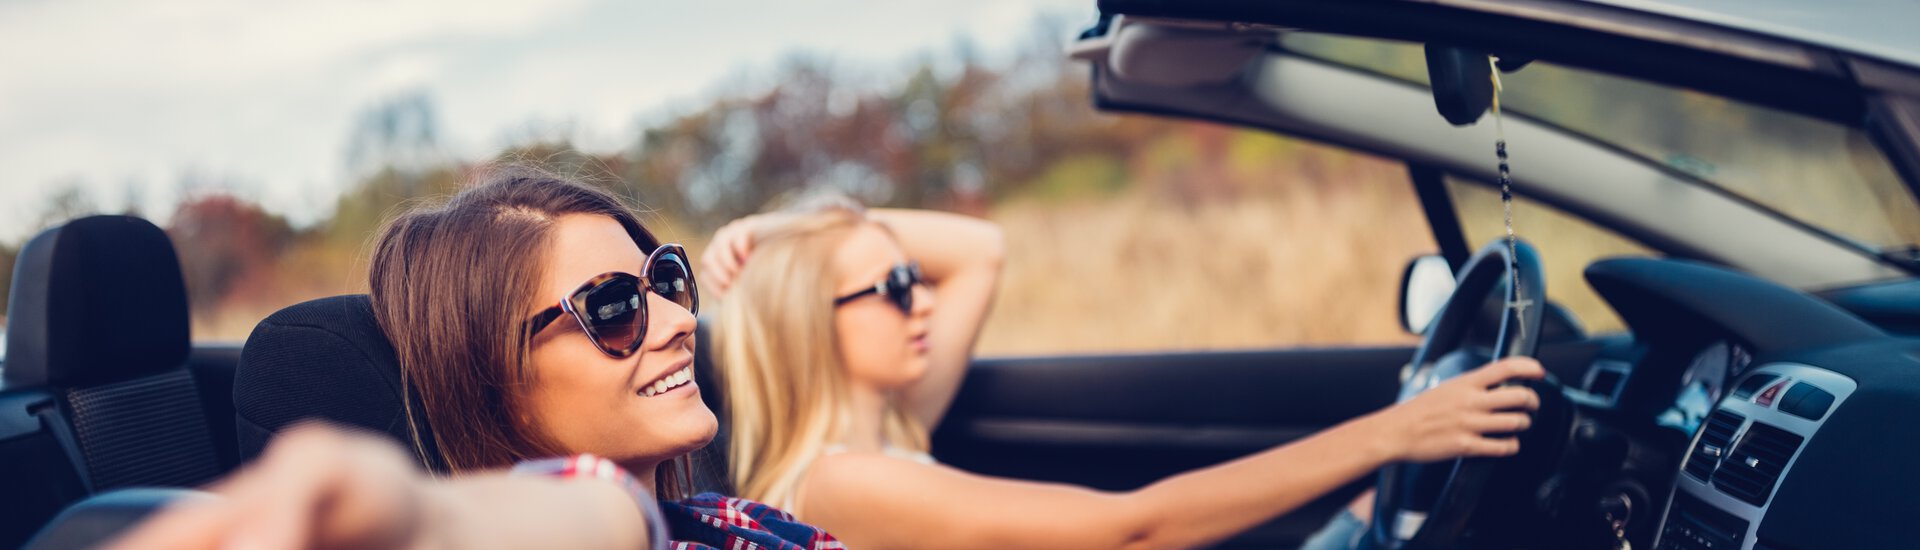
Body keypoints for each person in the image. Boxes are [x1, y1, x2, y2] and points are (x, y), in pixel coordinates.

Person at [703, 196, 1546, 550]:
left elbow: (978, 252)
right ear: (809, 320)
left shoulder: (892, 422)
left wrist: (789, 229)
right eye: (892, 287)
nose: (922, 297)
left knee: (1385, 513)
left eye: (911, 276)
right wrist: (1393, 433)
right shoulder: (839, 485)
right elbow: (1131, 531)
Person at [114, 168, 839, 549]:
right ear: (497, 379)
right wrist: (411, 516)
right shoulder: (608, 515)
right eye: (615, 306)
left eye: (667, 280)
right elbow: (527, 521)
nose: (681, 320)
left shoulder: (720, 518)